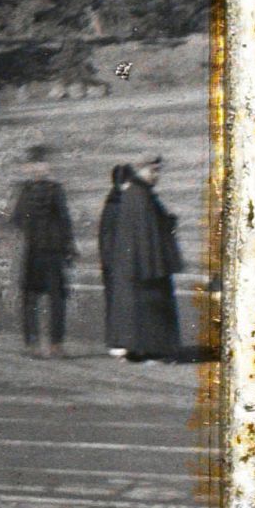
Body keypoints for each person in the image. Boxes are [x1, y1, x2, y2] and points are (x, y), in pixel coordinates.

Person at [101, 150, 184, 361]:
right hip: (145, 269)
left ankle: (142, 350)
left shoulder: (140, 194)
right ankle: (149, 351)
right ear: (141, 170)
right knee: (148, 309)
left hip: (140, 267)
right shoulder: (139, 196)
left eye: (158, 171)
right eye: (153, 170)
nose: (157, 175)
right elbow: (145, 236)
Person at [4, 143, 74, 356]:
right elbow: (15, 219)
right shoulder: (23, 190)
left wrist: (69, 247)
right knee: (30, 299)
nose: (38, 168)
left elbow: (65, 221)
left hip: (53, 250)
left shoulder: (56, 190)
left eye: (42, 164)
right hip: (33, 250)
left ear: (48, 167)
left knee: (57, 299)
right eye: (34, 164)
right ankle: (32, 344)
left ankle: (55, 344)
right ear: (27, 167)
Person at [97, 164, 133, 356]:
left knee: (116, 302)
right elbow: (109, 237)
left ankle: (118, 341)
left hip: (114, 262)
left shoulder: (112, 201)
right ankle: (118, 342)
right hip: (117, 263)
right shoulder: (118, 203)